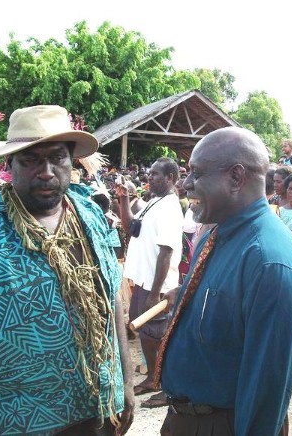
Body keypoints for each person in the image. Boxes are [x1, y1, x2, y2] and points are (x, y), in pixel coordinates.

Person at [0, 105, 135, 435]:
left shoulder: (90, 215)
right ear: (10, 165)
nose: (46, 171)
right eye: (31, 160)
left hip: (99, 414)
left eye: (57, 158)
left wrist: (126, 385)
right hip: (18, 423)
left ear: (71, 162)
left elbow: (112, 297)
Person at [157, 127, 292, 436]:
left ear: (236, 178)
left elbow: (267, 390)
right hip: (186, 418)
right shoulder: (216, 234)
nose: (186, 183)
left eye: (197, 173)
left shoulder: (269, 261)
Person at [116, 157, 183, 409]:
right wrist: (124, 199)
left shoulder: (170, 207)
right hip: (144, 280)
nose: (150, 177)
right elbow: (131, 228)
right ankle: (154, 378)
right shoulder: (155, 202)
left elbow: (166, 252)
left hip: (158, 285)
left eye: (155, 174)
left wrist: (155, 294)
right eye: (150, 173)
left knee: (158, 335)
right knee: (145, 332)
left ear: (170, 178)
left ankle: (165, 383)